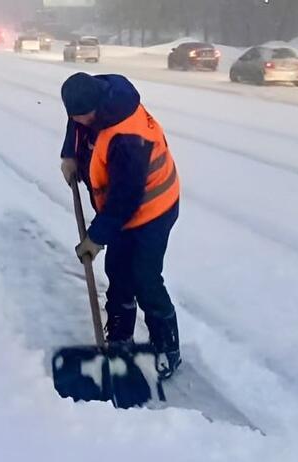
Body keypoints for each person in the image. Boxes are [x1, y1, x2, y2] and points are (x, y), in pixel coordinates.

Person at [60, 72, 182, 379]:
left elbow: (124, 200)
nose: (80, 121)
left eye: (83, 116)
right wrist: (70, 154)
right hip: (122, 209)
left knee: (145, 278)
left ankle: (167, 349)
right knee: (118, 271)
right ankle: (119, 337)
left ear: (97, 107)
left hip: (154, 208)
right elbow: (76, 123)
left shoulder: (127, 137)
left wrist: (96, 238)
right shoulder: (93, 97)